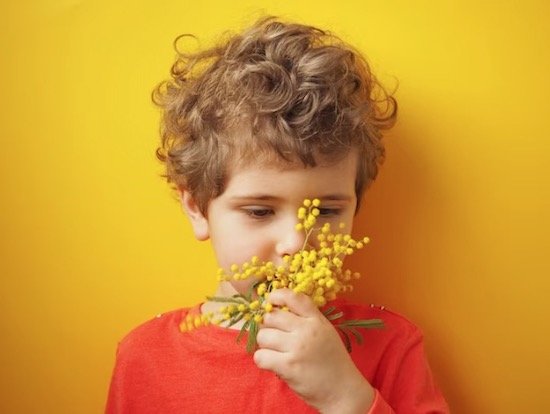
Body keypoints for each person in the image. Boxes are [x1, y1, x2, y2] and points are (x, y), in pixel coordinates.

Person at [106, 17, 449, 413]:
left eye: (325, 210)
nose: (296, 243)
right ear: (198, 209)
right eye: (259, 211)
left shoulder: (391, 346)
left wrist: (346, 398)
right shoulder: (145, 357)